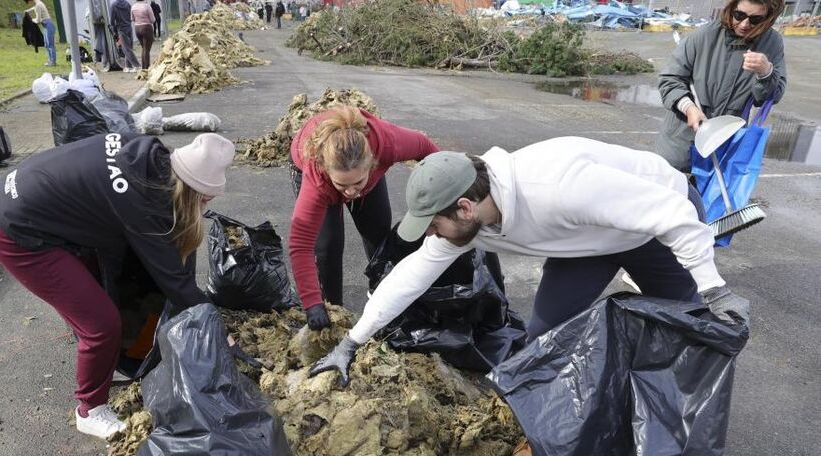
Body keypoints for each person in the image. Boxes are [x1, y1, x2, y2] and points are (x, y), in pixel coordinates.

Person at [311, 139, 751, 386]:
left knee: (688, 322)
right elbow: (410, 277)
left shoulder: (559, 187)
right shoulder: (468, 222)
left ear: (464, 207)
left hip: (652, 221)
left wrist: (716, 289)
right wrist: (352, 342)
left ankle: (682, 406)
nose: (430, 235)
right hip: (582, 243)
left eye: (432, 224)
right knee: (542, 340)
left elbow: (671, 215)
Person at [0, 132, 236, 438]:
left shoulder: (149, 157)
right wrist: (219, 332)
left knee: (96, 297)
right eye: (206, 198)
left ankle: (106, 362)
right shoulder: (143, 200)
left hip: (28, 195)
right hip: (17, 229)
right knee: (101, 323)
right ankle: (90, 410)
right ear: (194, 189)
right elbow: (175, 281)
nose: (207, 204)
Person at [288, 106, 439, 331]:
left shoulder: (388, 143)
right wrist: (312, 303)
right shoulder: (317, 179)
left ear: (372, 163)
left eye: (356, 183)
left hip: (365, 174)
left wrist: (444, 193)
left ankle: (384, 300)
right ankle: (333, 312)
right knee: (328, 246)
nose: (350, 193)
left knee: (378, 236)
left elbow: (428, 149)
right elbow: (301, 246)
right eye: (342, 185)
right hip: (313, 169)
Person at [656, 0, 786, 172]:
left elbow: (770, 97)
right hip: (681, 144)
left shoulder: (772, 43)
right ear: (731, 8)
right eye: (739, 15)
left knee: (708, 198)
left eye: (755, 19)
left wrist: (766, 73)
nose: (745, 24)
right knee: (672, 195)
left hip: (725, 146)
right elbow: (670, 79)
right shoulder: (703, 36)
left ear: (768, 17)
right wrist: (688, 108)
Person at [110, 0, 141, 72]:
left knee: (126, 49)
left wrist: (114, 32)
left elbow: (112, 21)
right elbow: (131, 16)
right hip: (129, 27)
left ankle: (137, 66)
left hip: (121, 29)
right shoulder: (127, 4)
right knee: (129, 47)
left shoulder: (113, 5)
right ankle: (128, 66)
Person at [24, 0, 56, 66]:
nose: (30, 4)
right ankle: (50, 61)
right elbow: (34, 8)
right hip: (46, 26)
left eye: (29, 2)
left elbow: (38, 20)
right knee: (47, 44)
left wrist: (31, 20)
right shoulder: (38, 2)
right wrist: (28, 10)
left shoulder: (37, 6)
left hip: (48, 25)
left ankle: (53, 62)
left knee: (50, 44)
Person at [130, 0, 155, 70]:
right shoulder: (147, 6)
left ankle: (143, 67)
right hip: (146, 28)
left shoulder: (133, 6)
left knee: (143, 48)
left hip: (137, 28)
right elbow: (153, 20)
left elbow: (132, 19)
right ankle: (146, 68)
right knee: (146, 49)